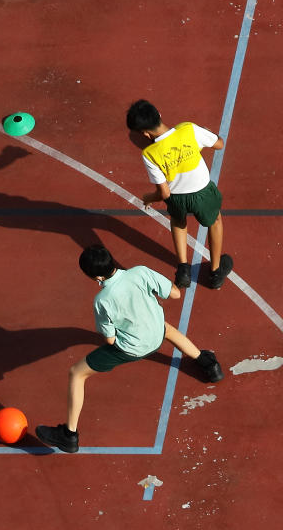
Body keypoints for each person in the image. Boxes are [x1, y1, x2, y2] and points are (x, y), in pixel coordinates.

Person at [36, 245, 223, 453]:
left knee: (76, 374)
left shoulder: (102, 300)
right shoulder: (140, 272)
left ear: (96, 277)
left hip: (133, 349)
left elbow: (109, 339)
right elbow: (175, 294)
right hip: (157, 331)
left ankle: (69, 436)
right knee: (167, 329)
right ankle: (208, 364)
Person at [126, 99, 233, 290]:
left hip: (176, 198)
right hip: (202, 192)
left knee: (177, 221)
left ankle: (183, 269)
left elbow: (164, 192)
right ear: (158, 113)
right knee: (215, 221)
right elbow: (219, 144)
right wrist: (206, 133)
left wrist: (148, 198)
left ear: (145, 133)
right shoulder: (188, 129)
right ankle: (216, 271)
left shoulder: (149, 153)